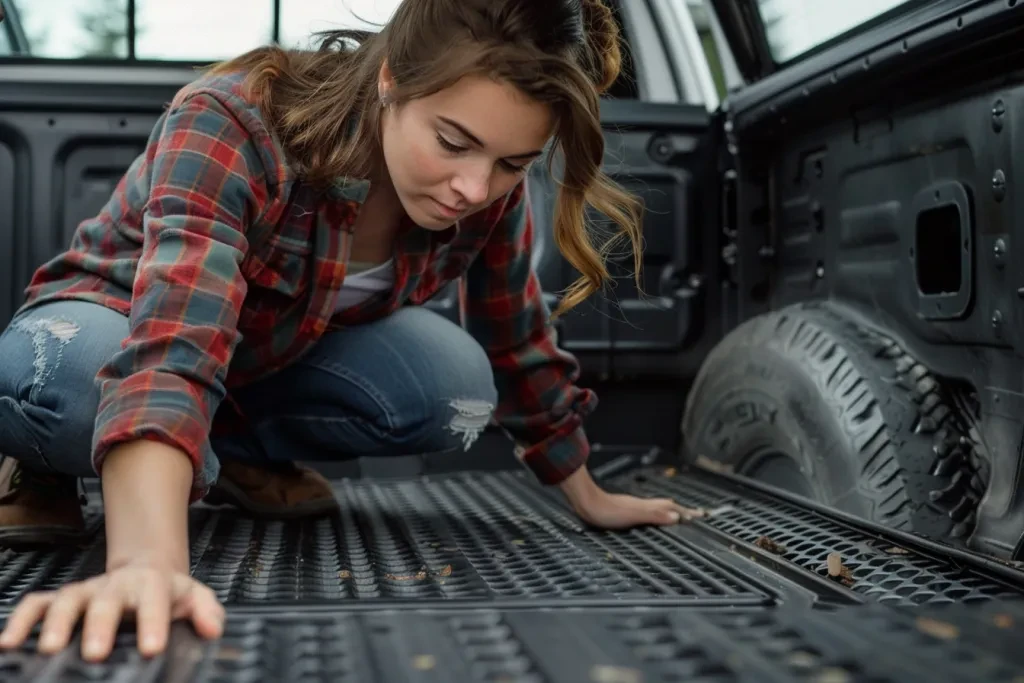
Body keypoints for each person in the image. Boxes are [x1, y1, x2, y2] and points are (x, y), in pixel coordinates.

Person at [0, 0, 703, 664]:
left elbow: (515, 336)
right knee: (83, 390)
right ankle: (39, 466)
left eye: (511, 163)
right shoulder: (234, 122)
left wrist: (587, 491)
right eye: (453, 142)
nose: (474, 187)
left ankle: (230, 456)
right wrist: (146, 566)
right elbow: (172, 343)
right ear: (392, 79)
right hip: (111, 327)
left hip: (254, 365)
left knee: (453, 385)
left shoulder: (485, 190)